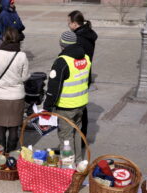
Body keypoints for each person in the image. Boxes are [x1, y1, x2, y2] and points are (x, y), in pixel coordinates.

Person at [43, 31, 91, 163]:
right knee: (76, 133)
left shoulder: (62, 62)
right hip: (81, 104)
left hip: (66, 106)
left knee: (65, 136)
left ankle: (68, 165)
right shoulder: (85, 57)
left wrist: (47, 107)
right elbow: (88, 79)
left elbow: (54, 88)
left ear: (62, 44)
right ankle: (78, 161)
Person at [0, 27, 29, 153]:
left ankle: (1, 157)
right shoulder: (21, 56)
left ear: (3, 38)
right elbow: (25, 77)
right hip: (17, 96)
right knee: (14, 128)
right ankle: (11, 154)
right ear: (17, 39)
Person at [68, 10, 98, 145]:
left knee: (76, 106)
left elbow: (73, 57)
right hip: (85, 73)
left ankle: (79, 137)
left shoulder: (78, 38)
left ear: (74, 24)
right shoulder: (88, 34)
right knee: (81, 105)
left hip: (77, 75)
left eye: (69, 23)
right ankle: (82, 136)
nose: (68, 25)